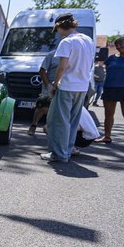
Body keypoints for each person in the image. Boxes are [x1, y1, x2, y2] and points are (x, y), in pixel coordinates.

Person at [40, 13, 96, 163]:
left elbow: (62, 66)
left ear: (60, 26)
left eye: (57, 30)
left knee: (59, 121)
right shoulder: (88, 40)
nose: (58, 33)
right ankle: (68, 150)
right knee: (72, 121)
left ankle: (59, 154)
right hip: (82, 86)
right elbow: (90, 64)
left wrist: (55, 84)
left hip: (67, 86)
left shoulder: (67, 42)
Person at [28, 50, 59, 135]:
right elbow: (42, 71)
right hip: (49, 85)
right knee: (42, 106)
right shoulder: (52, 55)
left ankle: (48, 126)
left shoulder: (71, 55)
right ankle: (33, 125)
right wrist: (48, 85)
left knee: (58, 108)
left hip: (63, 86)